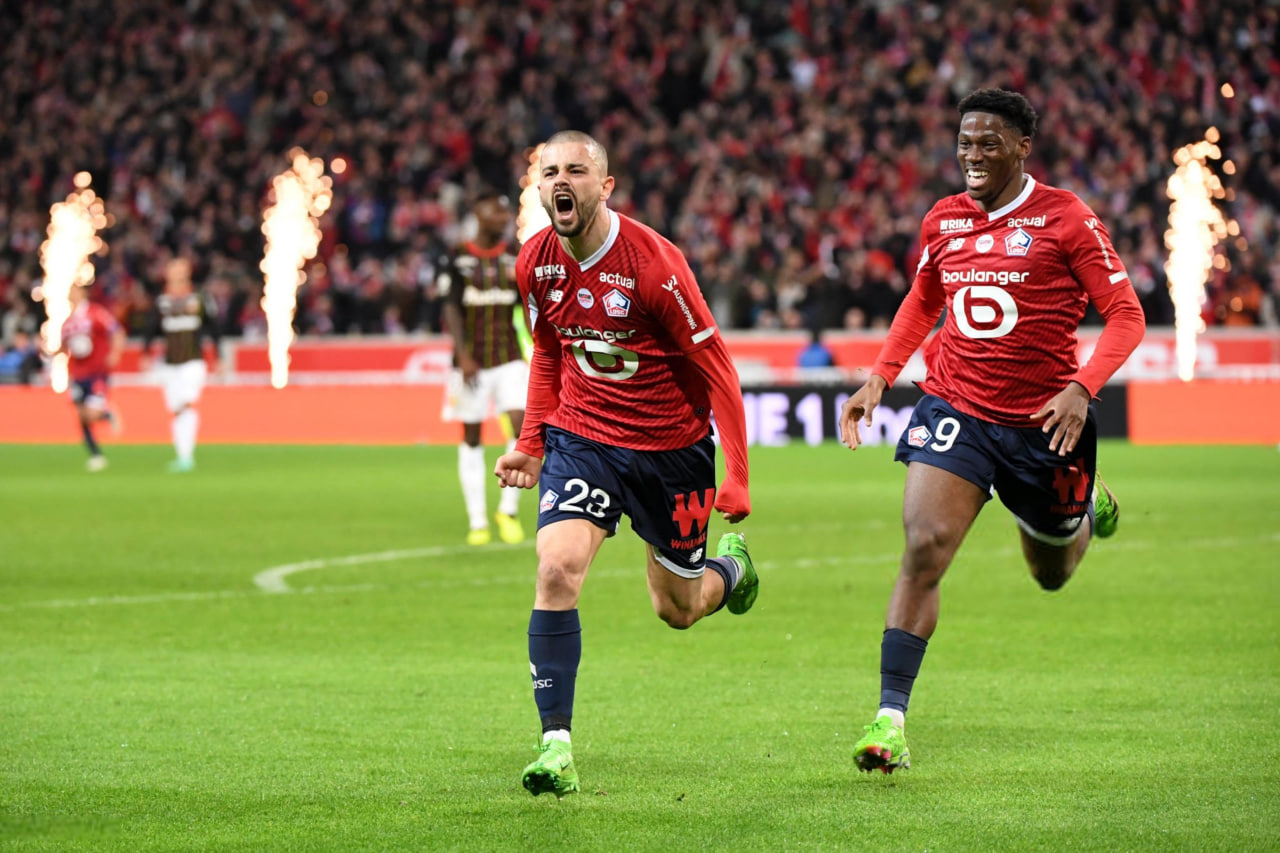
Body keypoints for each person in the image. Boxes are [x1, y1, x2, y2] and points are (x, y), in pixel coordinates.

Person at [838, 89, 1146, 774]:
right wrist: (880, 377)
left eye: (987, 143)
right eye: (964, 142)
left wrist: (1082, 388)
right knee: (924, 544)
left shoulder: (1067, 218)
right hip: (958, 409)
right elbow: (923, 300)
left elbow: (1126, 314)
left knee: (1052, 574)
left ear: (1021, 148)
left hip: (1044, 424)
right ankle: (889, 720)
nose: (972, 155)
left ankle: (1085, 505)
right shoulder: (943, 219)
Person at [494, 130, 758, 798]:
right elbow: (549, 350)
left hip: (671, 452)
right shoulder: (534, 262)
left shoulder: (655, 265)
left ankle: (730, 570)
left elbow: (718, 369)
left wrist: (736, 474)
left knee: (678, 609)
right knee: (556, 568)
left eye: (576, 171)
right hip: (583, 439)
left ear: (605, 186)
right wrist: (531, 440)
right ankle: (555, 745)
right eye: (550, 171)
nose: (561, 181)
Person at [439, 192, 531, 546]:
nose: (503, 216)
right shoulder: (458, 258)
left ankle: (507, 511)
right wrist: (462, 354)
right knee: (472, 436)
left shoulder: (514, 256)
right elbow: (450, 307)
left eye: (506, 211)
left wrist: (540, 347)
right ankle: (477, 519)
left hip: (509, 358)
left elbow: (527, 307)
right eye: (496, 210)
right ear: (478, 213)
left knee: (522, 428)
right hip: (470, 364)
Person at [143, 257, 219, 472]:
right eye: (173, 269)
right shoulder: (162, 300)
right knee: (177, 409)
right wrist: (145, 352)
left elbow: (214, 327)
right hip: (170, 363)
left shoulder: (199, 298)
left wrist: (219, 356)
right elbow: (152, 328)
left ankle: (186, 456)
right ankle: (183, 455)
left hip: (193, 361)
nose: (176, 273)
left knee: (186, 403)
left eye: (180, 269)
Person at [58, 284, 126, 471]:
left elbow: (117, 331)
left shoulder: (96, 313)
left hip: (97, 372)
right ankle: (96, 455)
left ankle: (106, 414)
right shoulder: (67, 322)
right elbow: (62, 347)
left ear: (83, 293)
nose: (71, 295)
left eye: (74, 291)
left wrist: (115, 353)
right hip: (76, 373)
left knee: (91, 414)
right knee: (81, 415)